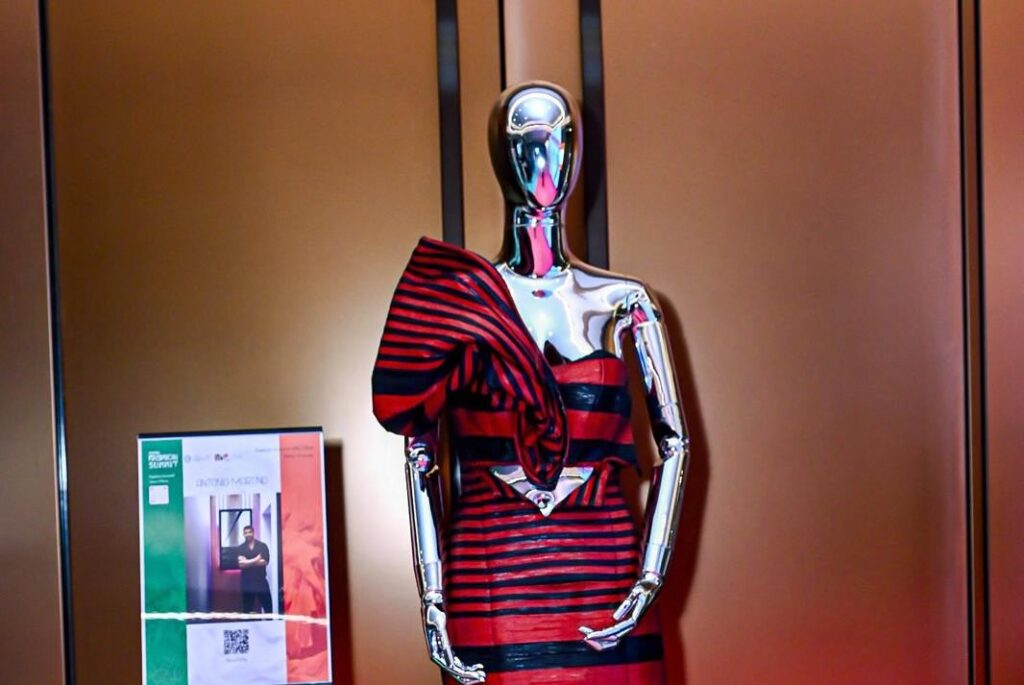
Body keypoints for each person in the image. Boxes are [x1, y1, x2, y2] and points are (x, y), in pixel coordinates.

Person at [372, 82, 690, 684]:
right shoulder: (457, 303)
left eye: (561, 139)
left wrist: (650, 575)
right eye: (527, 141)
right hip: (490, 580)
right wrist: (432, 598)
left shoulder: (626, 302)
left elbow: (675, 445)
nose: (546, 159)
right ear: (500, 156)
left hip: (609, 577)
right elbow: (420, 458)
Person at [236, 525, 273, 614]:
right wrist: (257, 559)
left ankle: (270, 622)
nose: (248, 534)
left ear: (253, 533)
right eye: (245, 533)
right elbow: (241, 564)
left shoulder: (262, 546)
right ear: (243, 534)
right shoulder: (241, 548)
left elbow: (265, 562)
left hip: (261, 581)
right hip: (247, 582)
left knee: (268, 607)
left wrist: (247, 562)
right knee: (247, 609)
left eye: (249, 532)